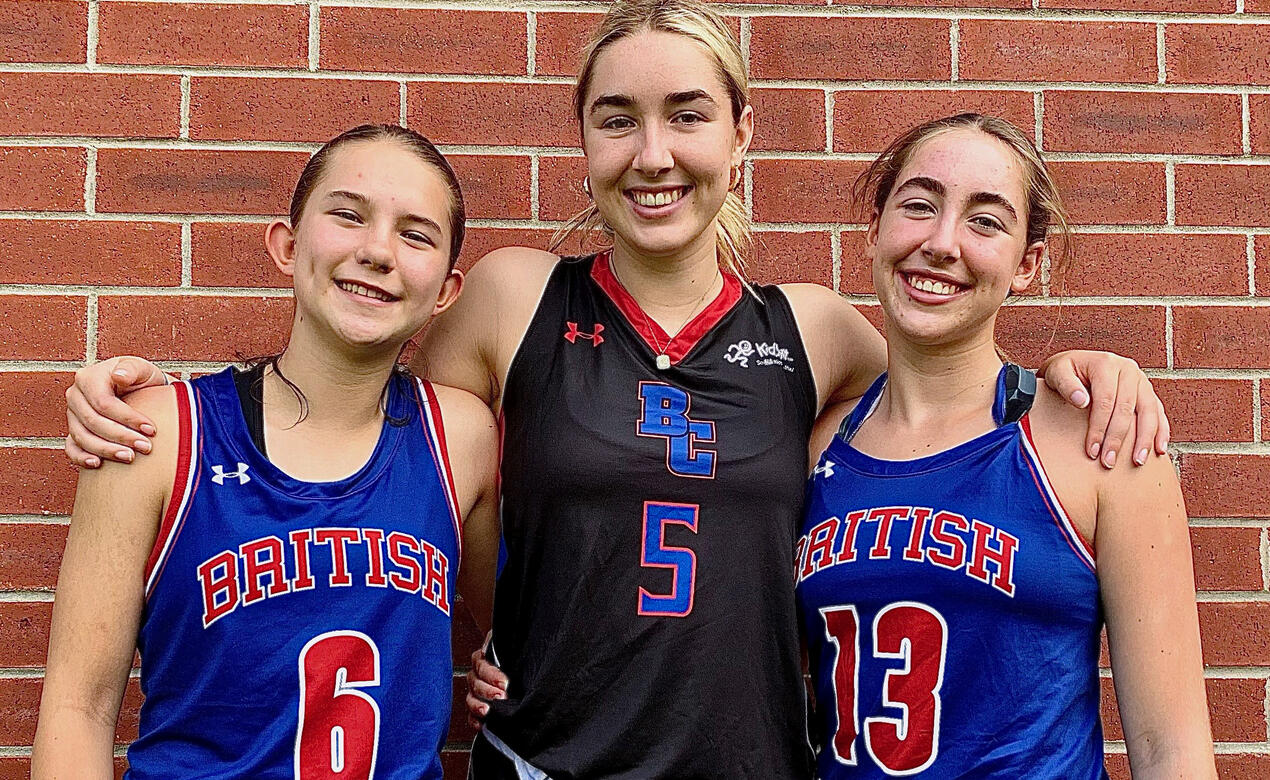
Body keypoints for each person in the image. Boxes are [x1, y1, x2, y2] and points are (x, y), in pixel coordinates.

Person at [59, 3, 1170, 778]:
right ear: (582, 139)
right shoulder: (507, 298)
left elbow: (948, 401)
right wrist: (159, 401)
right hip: (548, 760)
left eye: (688, 114)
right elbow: (398, 459)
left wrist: (1076, 377)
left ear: (741, 136)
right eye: (616, 117)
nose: (653, 153)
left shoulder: (816, 329)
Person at [32, 125, 500, 779]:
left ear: (446, 290)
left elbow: (516, 633)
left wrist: (507, 676)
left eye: (415, 234)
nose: (377, 251)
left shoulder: (461, 439)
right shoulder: (156, 435)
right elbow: (78, 709)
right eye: (348, 215)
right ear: (287, 245)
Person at [796, 114, 1214, 778]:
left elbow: (1173, 752)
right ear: (873, 230)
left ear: (1026, 264)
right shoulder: (814, 441)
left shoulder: (1101, 442)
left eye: (984, 221)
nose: (941, 242)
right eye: (919, 206)